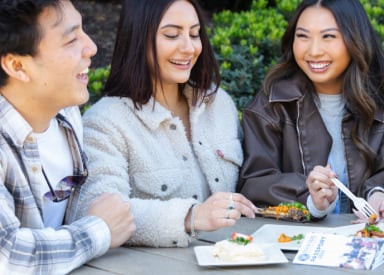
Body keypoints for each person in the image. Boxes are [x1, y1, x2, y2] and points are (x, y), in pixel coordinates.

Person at [76, 0, 257, 247]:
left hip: (240, 258)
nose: (189, 47)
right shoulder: (105, 122)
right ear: (137, 39)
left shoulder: (219, 103)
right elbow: (95, 211)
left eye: (194, 34)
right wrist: (191, 216)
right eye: (172, 35)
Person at [0, 0, 135, 273]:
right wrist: (99, 230)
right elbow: (9, 255)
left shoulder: (68, 114)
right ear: (17, 65)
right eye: (72, 39)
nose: (92, 47)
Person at [237, 0, 384, 221]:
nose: (314, 51)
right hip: (296, 246)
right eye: (303, 36)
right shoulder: (271, 105)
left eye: (328, 36)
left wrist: (378, 194)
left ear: (355, 40)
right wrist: (309, 199)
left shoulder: (379, 100)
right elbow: (253, 183)